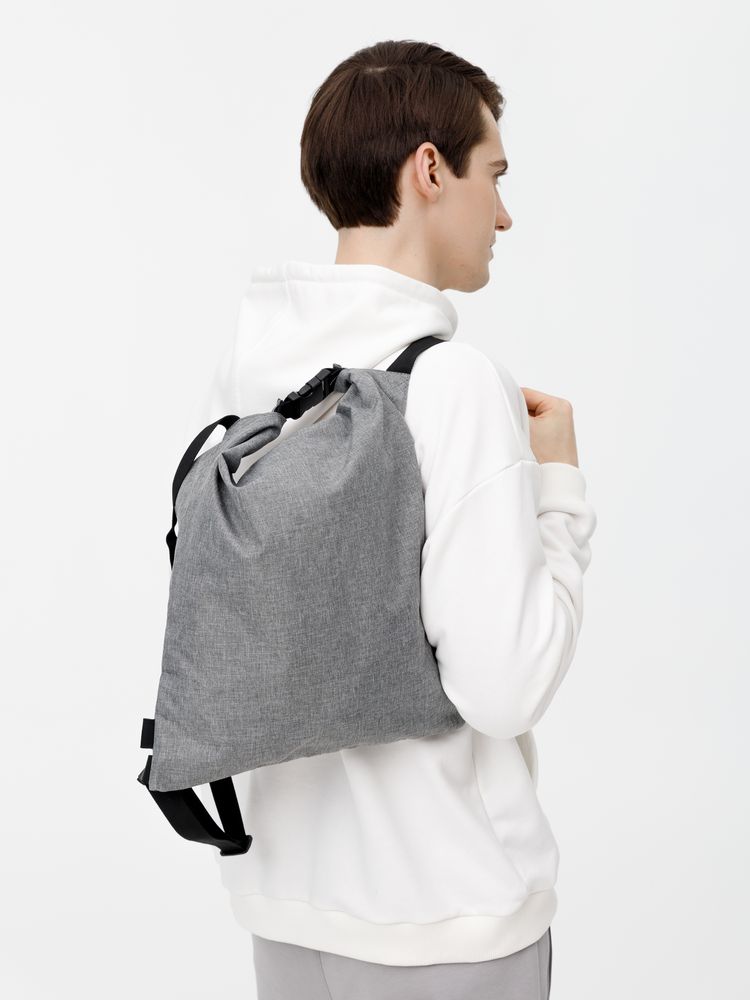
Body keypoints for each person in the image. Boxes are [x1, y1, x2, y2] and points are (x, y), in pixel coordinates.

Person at [188, 38, 596, 1000]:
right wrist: (560, 492)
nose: (503, 214)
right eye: (494, 175)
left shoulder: (249, 380)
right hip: (448, 917)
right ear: (430, 170)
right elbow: (504, 686)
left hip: (285, 911)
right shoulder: (451, 382)